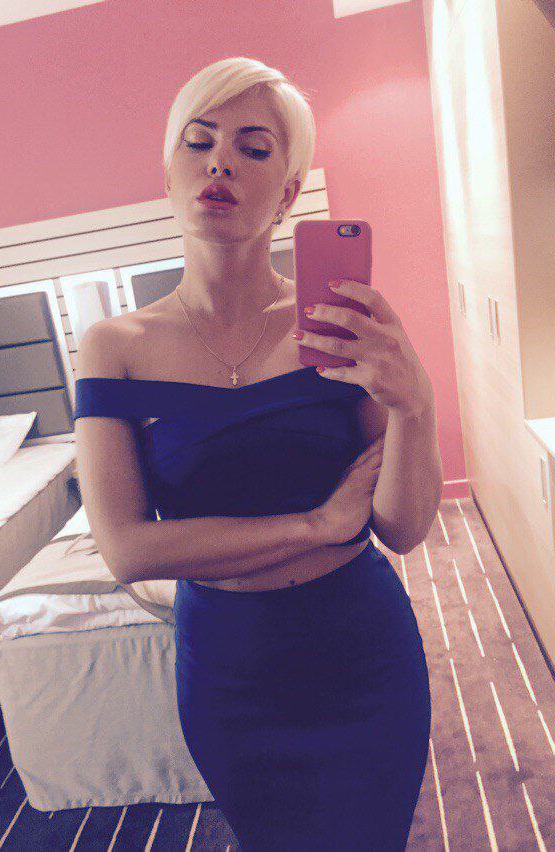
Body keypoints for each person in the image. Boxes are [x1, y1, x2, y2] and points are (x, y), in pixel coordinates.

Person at [74, 56, 432, 851]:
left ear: (289, 193)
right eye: (198, 142)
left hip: (361, 651)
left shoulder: (341, 324)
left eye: (253, 147)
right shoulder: (113, 346)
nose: (219, 163)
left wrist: (417, 407)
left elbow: (404, 528)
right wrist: (315, 524)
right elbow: (127, 549)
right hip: (229, 670)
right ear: (169, 173)